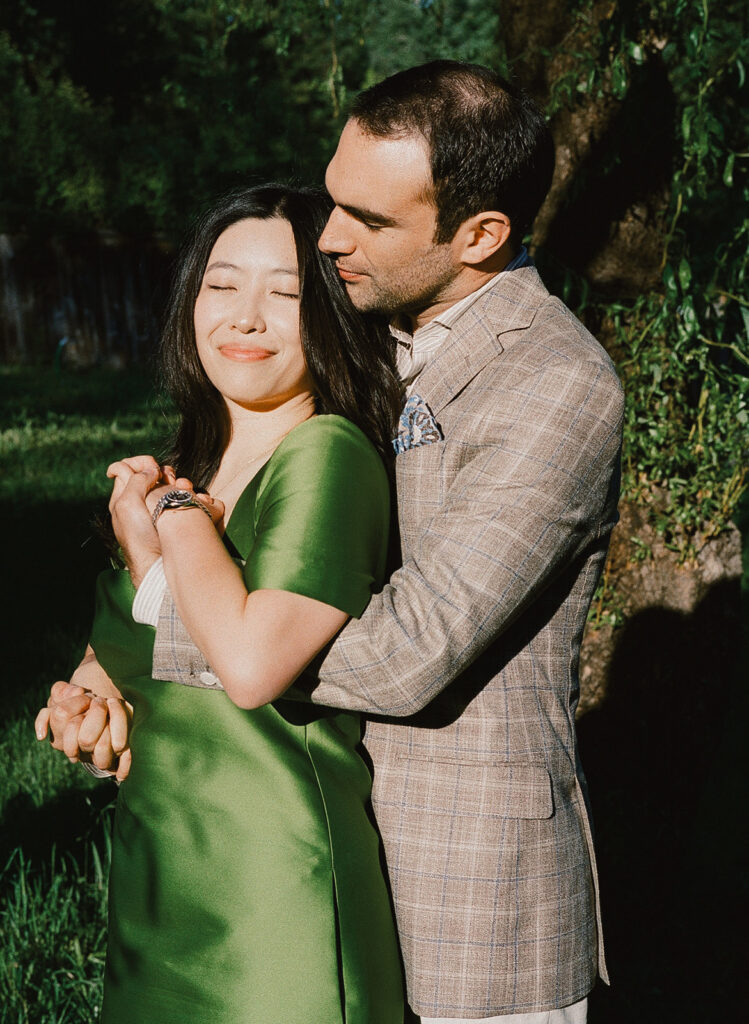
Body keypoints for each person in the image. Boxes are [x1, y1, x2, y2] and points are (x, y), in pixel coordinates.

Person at [42, 61, 625, 1024]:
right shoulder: (370, 333)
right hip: (300, 860)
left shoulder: (554, 384)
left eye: (369, 220)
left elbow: (405, 655)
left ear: (479, 235)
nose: (330, 236)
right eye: (334, 199)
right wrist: (112, 680)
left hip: (463, 896)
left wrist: (169, 599)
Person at [37, 183, 406, 1024]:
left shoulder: (326, 457)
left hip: (272, 898)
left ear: (336, 318)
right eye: (220, 284)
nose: (244, 317)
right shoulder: (194, 462)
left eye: (285, 295)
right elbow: (152, 650)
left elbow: (245, 666)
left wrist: (165, 523)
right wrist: (92, 705)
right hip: (161, 879)